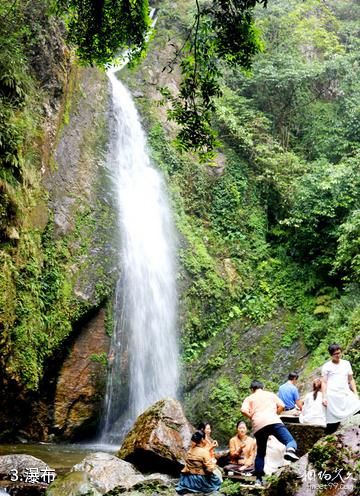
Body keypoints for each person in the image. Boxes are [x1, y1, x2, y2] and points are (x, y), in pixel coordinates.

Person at [241, 380, 299, 486]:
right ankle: (290, 450)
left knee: (261, 453)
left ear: (252, 389)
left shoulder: (249, 398)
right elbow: (282, 405)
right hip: (273, 421)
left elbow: (243, 410)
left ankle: (258, 479)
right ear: (262, 387)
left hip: (258, 425)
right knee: (290, 441)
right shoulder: (270, 394)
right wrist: (276, 413)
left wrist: (252, 417)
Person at [321, 343, 360, 434]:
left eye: (339, 353)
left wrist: (355, 393)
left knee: (357, 407)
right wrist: (324, 397)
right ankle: (329, 437)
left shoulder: (346, 364)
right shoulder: (327, 366)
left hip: (345, 392)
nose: (338, 355)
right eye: (335, 354)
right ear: (331, 355)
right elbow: (324, 382)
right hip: (333, 395)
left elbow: (351, 379)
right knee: (333, 420)